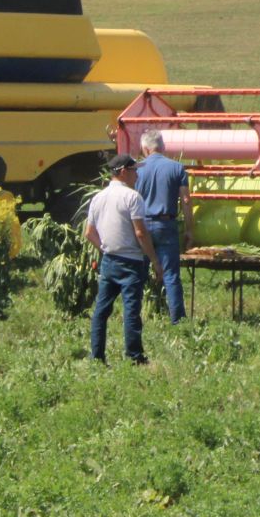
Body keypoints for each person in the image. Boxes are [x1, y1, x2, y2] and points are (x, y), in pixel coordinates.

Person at [85, 154, 163, 365]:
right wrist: (154, 260)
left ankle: (97, 356)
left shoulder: (98, 198)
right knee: (131, 310)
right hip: (131, 261)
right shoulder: (132, 197)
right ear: (122, 172)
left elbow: (89, 233)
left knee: (101, 311)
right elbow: (140, 233)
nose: (137, 175)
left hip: (109, 259)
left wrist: (105, 247)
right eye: (134, 170)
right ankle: (134, 356)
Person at [133, 130, 193, 324]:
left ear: (145, 148)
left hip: (142, 225)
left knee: (139, 273)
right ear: (163, 147)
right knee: (171, 276)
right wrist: (189, 229)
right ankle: (178, 321)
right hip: (166, 224)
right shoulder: (177, 168)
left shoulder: (137, 169)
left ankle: (133, 317)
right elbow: (185, 200)